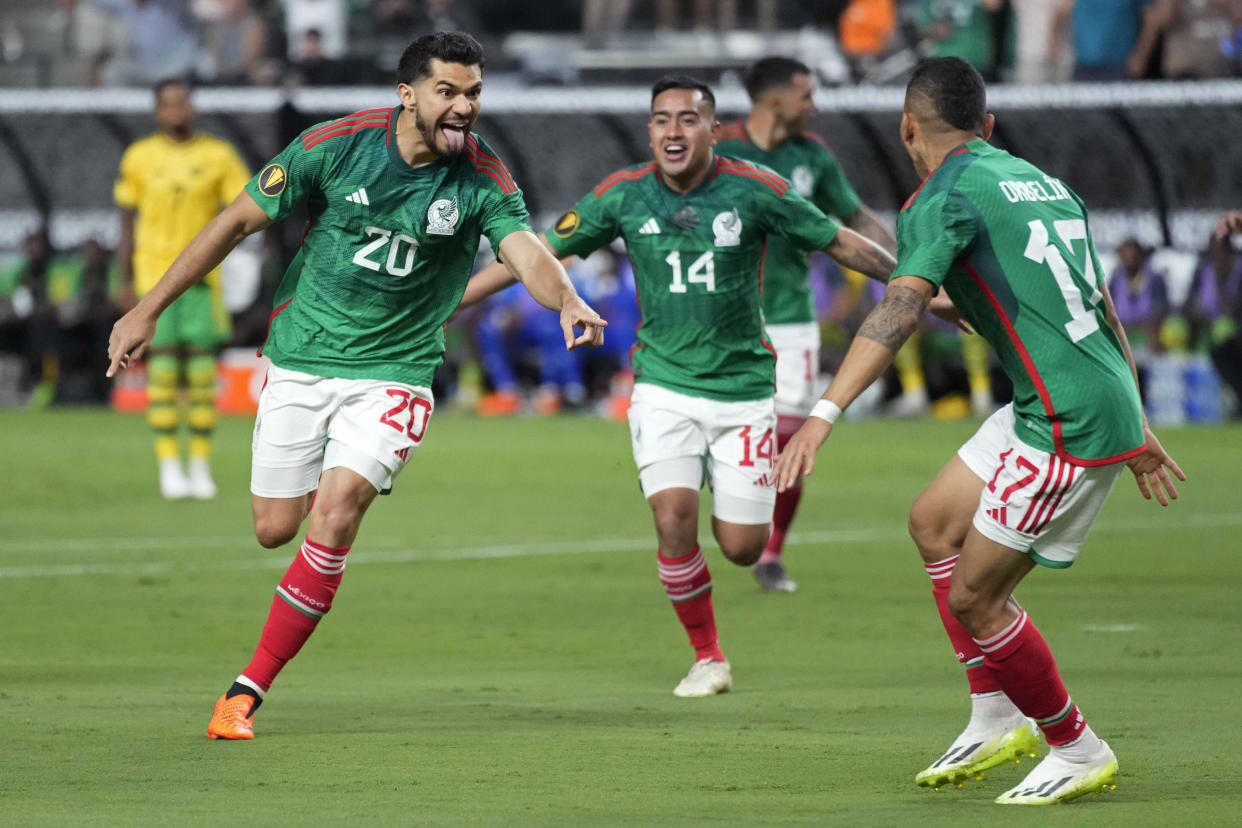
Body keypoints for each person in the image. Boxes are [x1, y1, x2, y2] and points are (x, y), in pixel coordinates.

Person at [107, 31, 606, 740]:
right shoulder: (334, 147)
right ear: (408, 95)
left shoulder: (484, 178)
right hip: (303, 358)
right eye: (448, 92)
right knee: (274, 529)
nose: (464, 107)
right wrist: (146, 307)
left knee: (335, 515)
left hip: (395, 375)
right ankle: (329, 477)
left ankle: (244, 694)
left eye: (474, 93)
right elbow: (236, 221)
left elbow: (525, 250)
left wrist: (569, 301)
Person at [773, 57, 1184, 804]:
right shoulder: (1041, 183)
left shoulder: (941, 197)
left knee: (976, 599)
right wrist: (1139, 418)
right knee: (933, 522)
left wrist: (820, 417)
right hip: (1070, 396)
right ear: (987, 126)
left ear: (907, 127)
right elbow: (1099, 306)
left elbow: (898, 310)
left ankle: (1075, 744)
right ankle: (996, 714)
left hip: (1066, 419)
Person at [457, 75, 898, 698]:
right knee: (672, 519)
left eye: (688, 119)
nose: (673, 131)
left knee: (742, 547)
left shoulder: (757, 190)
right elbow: (533, 254)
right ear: (649, 130)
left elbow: (840, 241)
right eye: (662, 119)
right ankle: (708, 657)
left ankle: (738, 510)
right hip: (663, 385)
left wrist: (917, 289)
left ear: (714, 129)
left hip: (743, 391)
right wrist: (448, 301)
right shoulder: (623, 194)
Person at [714, 56, 898, 593]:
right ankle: (731, 518)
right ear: (774, 101)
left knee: (790, 442)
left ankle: (770, 553)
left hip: (792, 319)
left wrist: (911, 263)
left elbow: (855, 218)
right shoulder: (717, 146)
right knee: (725, 436)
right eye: (805, 95)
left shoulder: (812, 157)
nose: (813, 105)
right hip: (723, 317)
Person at [114, 78, 252, 500]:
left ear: (192, 106)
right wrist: (122, 280)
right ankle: (170, 464)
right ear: (157, 111)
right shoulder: (139, 156)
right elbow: (125, 220)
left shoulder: (218, 155)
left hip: (202, 279)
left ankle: (200, 463)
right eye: (168, 105)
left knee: (200, 371)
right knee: (162, 369)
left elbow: (243, 211)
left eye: (182, 103)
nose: (176, 111)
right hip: (153, 278)